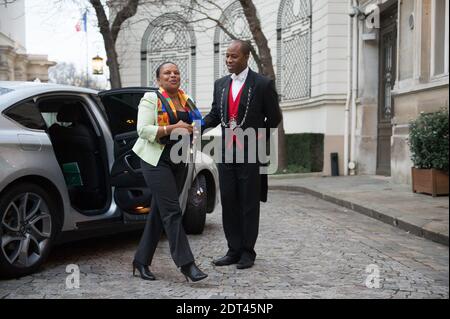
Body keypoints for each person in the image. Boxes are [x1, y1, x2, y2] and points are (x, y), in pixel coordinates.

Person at [202, 40, 282, 269]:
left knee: (248, 202)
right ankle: (233, 250)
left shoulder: (263, 84)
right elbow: (215, 115)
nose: (228, 60)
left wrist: (259, 137)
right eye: (227, 56)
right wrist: (196, 127)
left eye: (233, 56)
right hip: (226, 152)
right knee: (228, 201)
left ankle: (248, 252)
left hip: (251, 153)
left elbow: (274, 118)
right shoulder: (220, 85)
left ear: (246, 57)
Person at [132, 62, 207, 282]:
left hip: (178, 160)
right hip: (156, 160)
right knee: (173, 211)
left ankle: (141, 261)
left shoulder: (186, 100)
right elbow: (143, 130)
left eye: (176, 72)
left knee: (159, 213)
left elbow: (198, 124)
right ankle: (187, 265)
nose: (172, 75)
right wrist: (172, 128)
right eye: (167, 73)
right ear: (159, 79)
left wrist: (195, 129)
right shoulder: (151, 99)